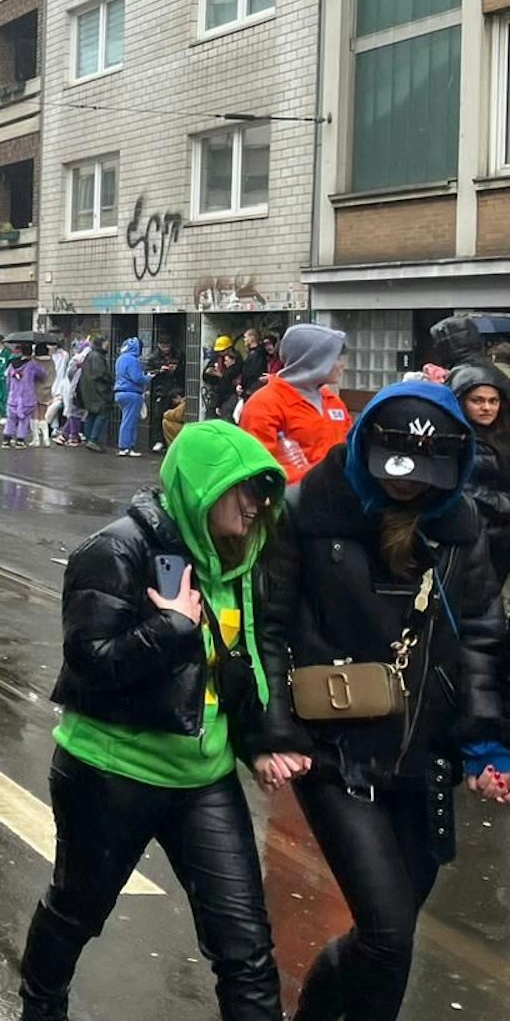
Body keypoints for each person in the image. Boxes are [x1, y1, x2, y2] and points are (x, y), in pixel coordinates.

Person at [18, 422, 292, 1021]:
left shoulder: (242, 561)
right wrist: (169, 627)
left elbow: (240, 663)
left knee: (246, 950)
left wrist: (263, 742)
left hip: (204, 780)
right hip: (110, 774)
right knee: (75, 912)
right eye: (245, 489)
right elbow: (89, 664)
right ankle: (40, 1007)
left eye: (265, 492)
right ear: (202, 487)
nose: (256, 505)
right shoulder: (117, 551)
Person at [262, 381, 510, 1021]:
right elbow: (268, 627)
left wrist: (488, 744)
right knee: (389, 933)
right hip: (336, 755)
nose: (408, 487)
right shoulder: (306, 511)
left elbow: (482, 636)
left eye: (427, 475)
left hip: (426, 759)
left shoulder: (460, 527)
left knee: (386, 940)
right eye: (397, 469)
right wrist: (277, 732)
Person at [237, 322, 350, 484]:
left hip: (338, 495)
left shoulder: (332, 401)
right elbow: (259, 468)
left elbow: (351, 450)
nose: (342, 364)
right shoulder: (264, 405)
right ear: (313, 361)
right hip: (292, 497)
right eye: (335, 358)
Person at [450, 366, 510, 583]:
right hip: (473, 532)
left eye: (493, 401)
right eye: (477, 401)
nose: (487, 408)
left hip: (502, 535)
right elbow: (463, 487)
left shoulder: (502, 433)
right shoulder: (454, 437)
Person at [2, 346, 47, 448]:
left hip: (13, 397)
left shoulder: (11, 365)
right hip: (27, 397)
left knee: (11, 419)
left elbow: (7, 380)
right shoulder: (31, 365)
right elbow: (43, 374)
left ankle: (6, 439)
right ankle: (20, 440)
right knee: (24, 419)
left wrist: (10, 391)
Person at [78, 336, 116, 452]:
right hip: (98, 390)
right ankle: (93, 439)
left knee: (92, 413)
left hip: (89, 390)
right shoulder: (97, 357)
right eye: (105, 343)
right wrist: (110, 379)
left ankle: (89, 437)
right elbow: (100, 374)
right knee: (102, 412)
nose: (107, 345)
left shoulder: (91, 355)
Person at [204, 336, 243, 421]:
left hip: (229, 395)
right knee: (210, 417)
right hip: (217, 393)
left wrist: (220, 375)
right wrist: (210, 373)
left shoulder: (236, 360)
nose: (221, 354)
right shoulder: (217, 358)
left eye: (222, 351)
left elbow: (229, 378)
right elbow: (205, 375)